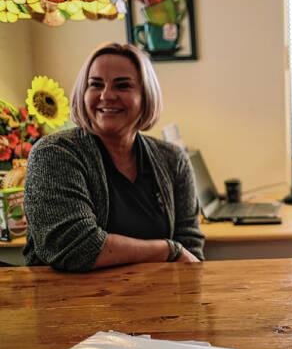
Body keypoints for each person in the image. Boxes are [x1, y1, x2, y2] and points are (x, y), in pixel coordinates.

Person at [24, 42, 204, 271]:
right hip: (71, 295)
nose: (107, 95)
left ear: (146, 95)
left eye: (123, 85)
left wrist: (176, 256)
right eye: (95, 84)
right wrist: (167, 250)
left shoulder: (173, 159)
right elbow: (73, 247)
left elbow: (191, 251)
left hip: (158, 293)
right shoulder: (54, 153)